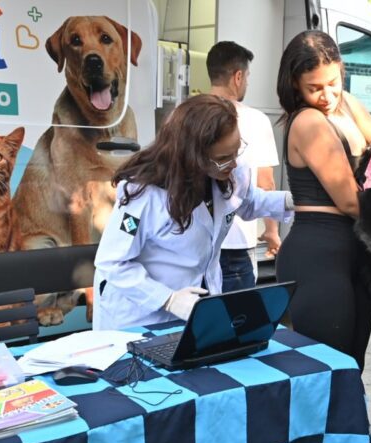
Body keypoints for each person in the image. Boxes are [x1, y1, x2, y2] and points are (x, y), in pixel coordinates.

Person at [93, 95, 293, 331]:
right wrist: (168, 299)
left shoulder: (230, 174)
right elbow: (112, 262)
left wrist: (292, 201)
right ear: (192, 155)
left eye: (236, 151)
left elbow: (248, 202)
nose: (233, 164)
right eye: (222, 158)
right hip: (139, 317)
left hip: (195, 311)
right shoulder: (144, 193)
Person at [274, 30, 371, 369]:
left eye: (333, 82)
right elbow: (350, 201)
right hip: (319, 253)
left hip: (354, 250)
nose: (326, 95)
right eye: (314, 87)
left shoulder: (346, 103)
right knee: (327, 370)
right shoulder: (308, 120)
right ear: (295, 84)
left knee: (352, 368)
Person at [207, 41, 281, 292]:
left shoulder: (185, 114)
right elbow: (266, 183)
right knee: (237, 323)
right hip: (236, 244)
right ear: (237, 77)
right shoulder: (255, 120)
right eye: (247, 76)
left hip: (195, 244)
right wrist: (272, 231)